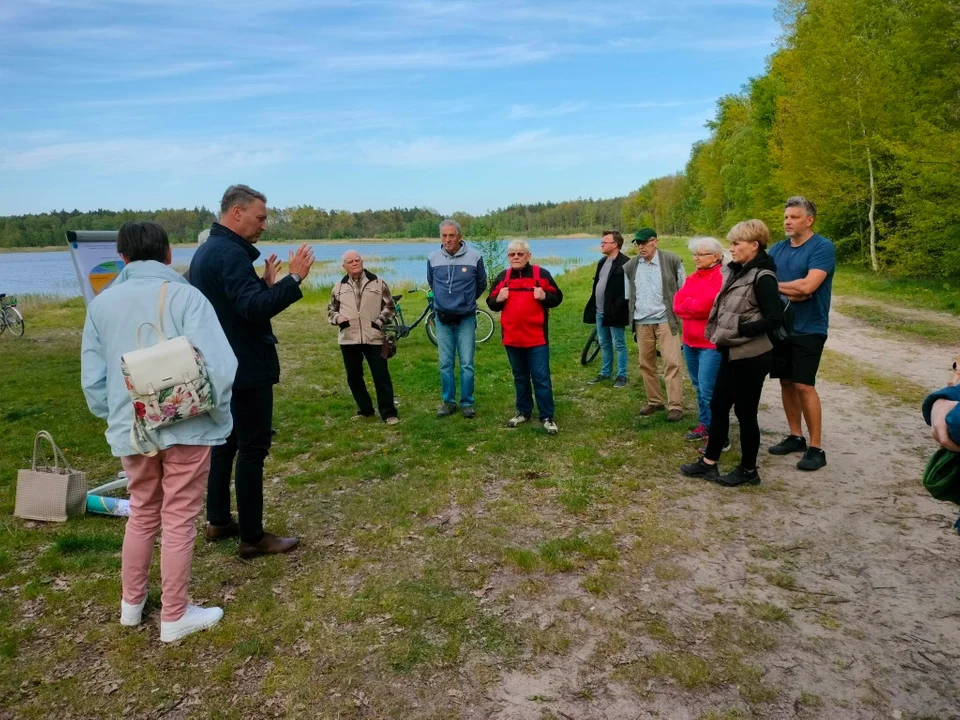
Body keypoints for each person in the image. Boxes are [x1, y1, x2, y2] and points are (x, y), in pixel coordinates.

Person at [81, 222, 238, 642]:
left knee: (142, 511)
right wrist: (216, 411)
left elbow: (94, 379)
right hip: (187, 423)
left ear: (124, 257)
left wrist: (113, 413)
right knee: (179, 517)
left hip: (131, 427)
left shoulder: (101, 304)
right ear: (169, 255)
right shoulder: (186, 296)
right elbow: (221, 366)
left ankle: (131, 606)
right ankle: (174, 614)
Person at [189, 184, 315, 559]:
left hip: (220, 363)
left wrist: (263, 286)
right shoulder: (229, 254)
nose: (264, 225)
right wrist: (294, 280)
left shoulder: (209, 251)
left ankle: (217, 520)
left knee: (225, 444)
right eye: (260, 217)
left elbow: (235, 305)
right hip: (244, 368)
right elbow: (252, 311)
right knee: (252, 449)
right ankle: (253, 537)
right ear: (237, 213)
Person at [680, 220, 784, 487]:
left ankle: (749, 470)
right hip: (729, 351)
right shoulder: (735, 272)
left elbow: (774, 318)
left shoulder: (764, 277)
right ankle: (709, 463)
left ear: (754, 245)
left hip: (752, 355)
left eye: (736, 243)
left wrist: (741, 327)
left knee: (746, 413)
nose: (732, 248)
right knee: (718, 406)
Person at [767, 196, 836, 471]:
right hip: (782, 327)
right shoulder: (776, 249)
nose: (787, 221)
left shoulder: (822, 247)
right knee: (786, 382)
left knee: (804, 384)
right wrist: (789, 289)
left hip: (811, 327)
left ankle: (816, 448)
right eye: (786, 217)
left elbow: (808, 287)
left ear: (809, 220)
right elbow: (768, 283)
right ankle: (796, 436)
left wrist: (777, 287)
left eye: (794, 217)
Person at [486, 240, 564, 434]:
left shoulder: (541, 274)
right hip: (512, 339)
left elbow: (558, 298)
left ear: (528, 256)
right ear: (508, 257)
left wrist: (544, 296)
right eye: (512, 254)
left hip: (537, 338)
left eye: (520, 254)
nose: (516, 257)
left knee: (541, 378)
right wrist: (499, 299)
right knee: (520, 377)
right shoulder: (503, 277)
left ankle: (547, 416)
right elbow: (491, 302)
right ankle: (523, 411)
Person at [327, 250, 399, 425]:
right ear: (344, 266)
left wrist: (381, 321)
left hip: (373, 336)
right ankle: (366, 410)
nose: (354, 263)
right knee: (354, 376)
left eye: (357, 260)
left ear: (362, 261)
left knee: (381, 375)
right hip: (348, 338)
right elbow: (330, 311)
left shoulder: (378, 283)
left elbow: (390, 306)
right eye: (350, 261)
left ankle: (388, 413)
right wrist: (338, 319)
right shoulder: (338, 287)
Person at [623, 228, 687, 421]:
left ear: (655, 242)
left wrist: (680, 314)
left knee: (672, 362)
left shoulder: (672, 261)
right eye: (638, 243)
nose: (641, 247)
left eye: (644, 243)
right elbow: (629, 296)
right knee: (646, 364)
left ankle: (675, 406)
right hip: (642, 321)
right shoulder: (630, 266)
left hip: (666, 319)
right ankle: (655, 401)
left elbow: (683, 289)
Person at [427, 219, 487, 418]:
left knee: (467, 363)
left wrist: (466, 301)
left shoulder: (474, 257)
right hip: (442, 319)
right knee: (445, 362)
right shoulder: (433, 258)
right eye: (444, 235)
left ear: (460, 236)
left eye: (451, 235)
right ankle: (448, 402)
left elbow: (481, 284)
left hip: (466, 319)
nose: (447, 239)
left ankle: (467, 403)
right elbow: (432, 283)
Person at [673, 237, 725, 442]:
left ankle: (718, 433)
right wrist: (689, 307)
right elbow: (677, 303)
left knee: (708, 390)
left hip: (709, 344)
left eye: (700, 254)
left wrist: (689, 306)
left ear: (716, 256)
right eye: (694, 254)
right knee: (697, 386)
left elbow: (707, 305)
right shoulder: (693, 278)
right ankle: (706, 425)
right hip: (690, 341)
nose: (695, 258)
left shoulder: (720, 277)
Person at [583, 230, 630, 387]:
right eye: (601, 241)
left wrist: (617, 306)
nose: (601, 244)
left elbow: (628, 289)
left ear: (615, 244)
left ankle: (622, 375)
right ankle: (605, 372)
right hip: (600, 311)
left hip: (615, 312)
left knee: (619, 344)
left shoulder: (626, 263)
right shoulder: (602, 262)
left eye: (605, 242)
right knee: (604, 343)